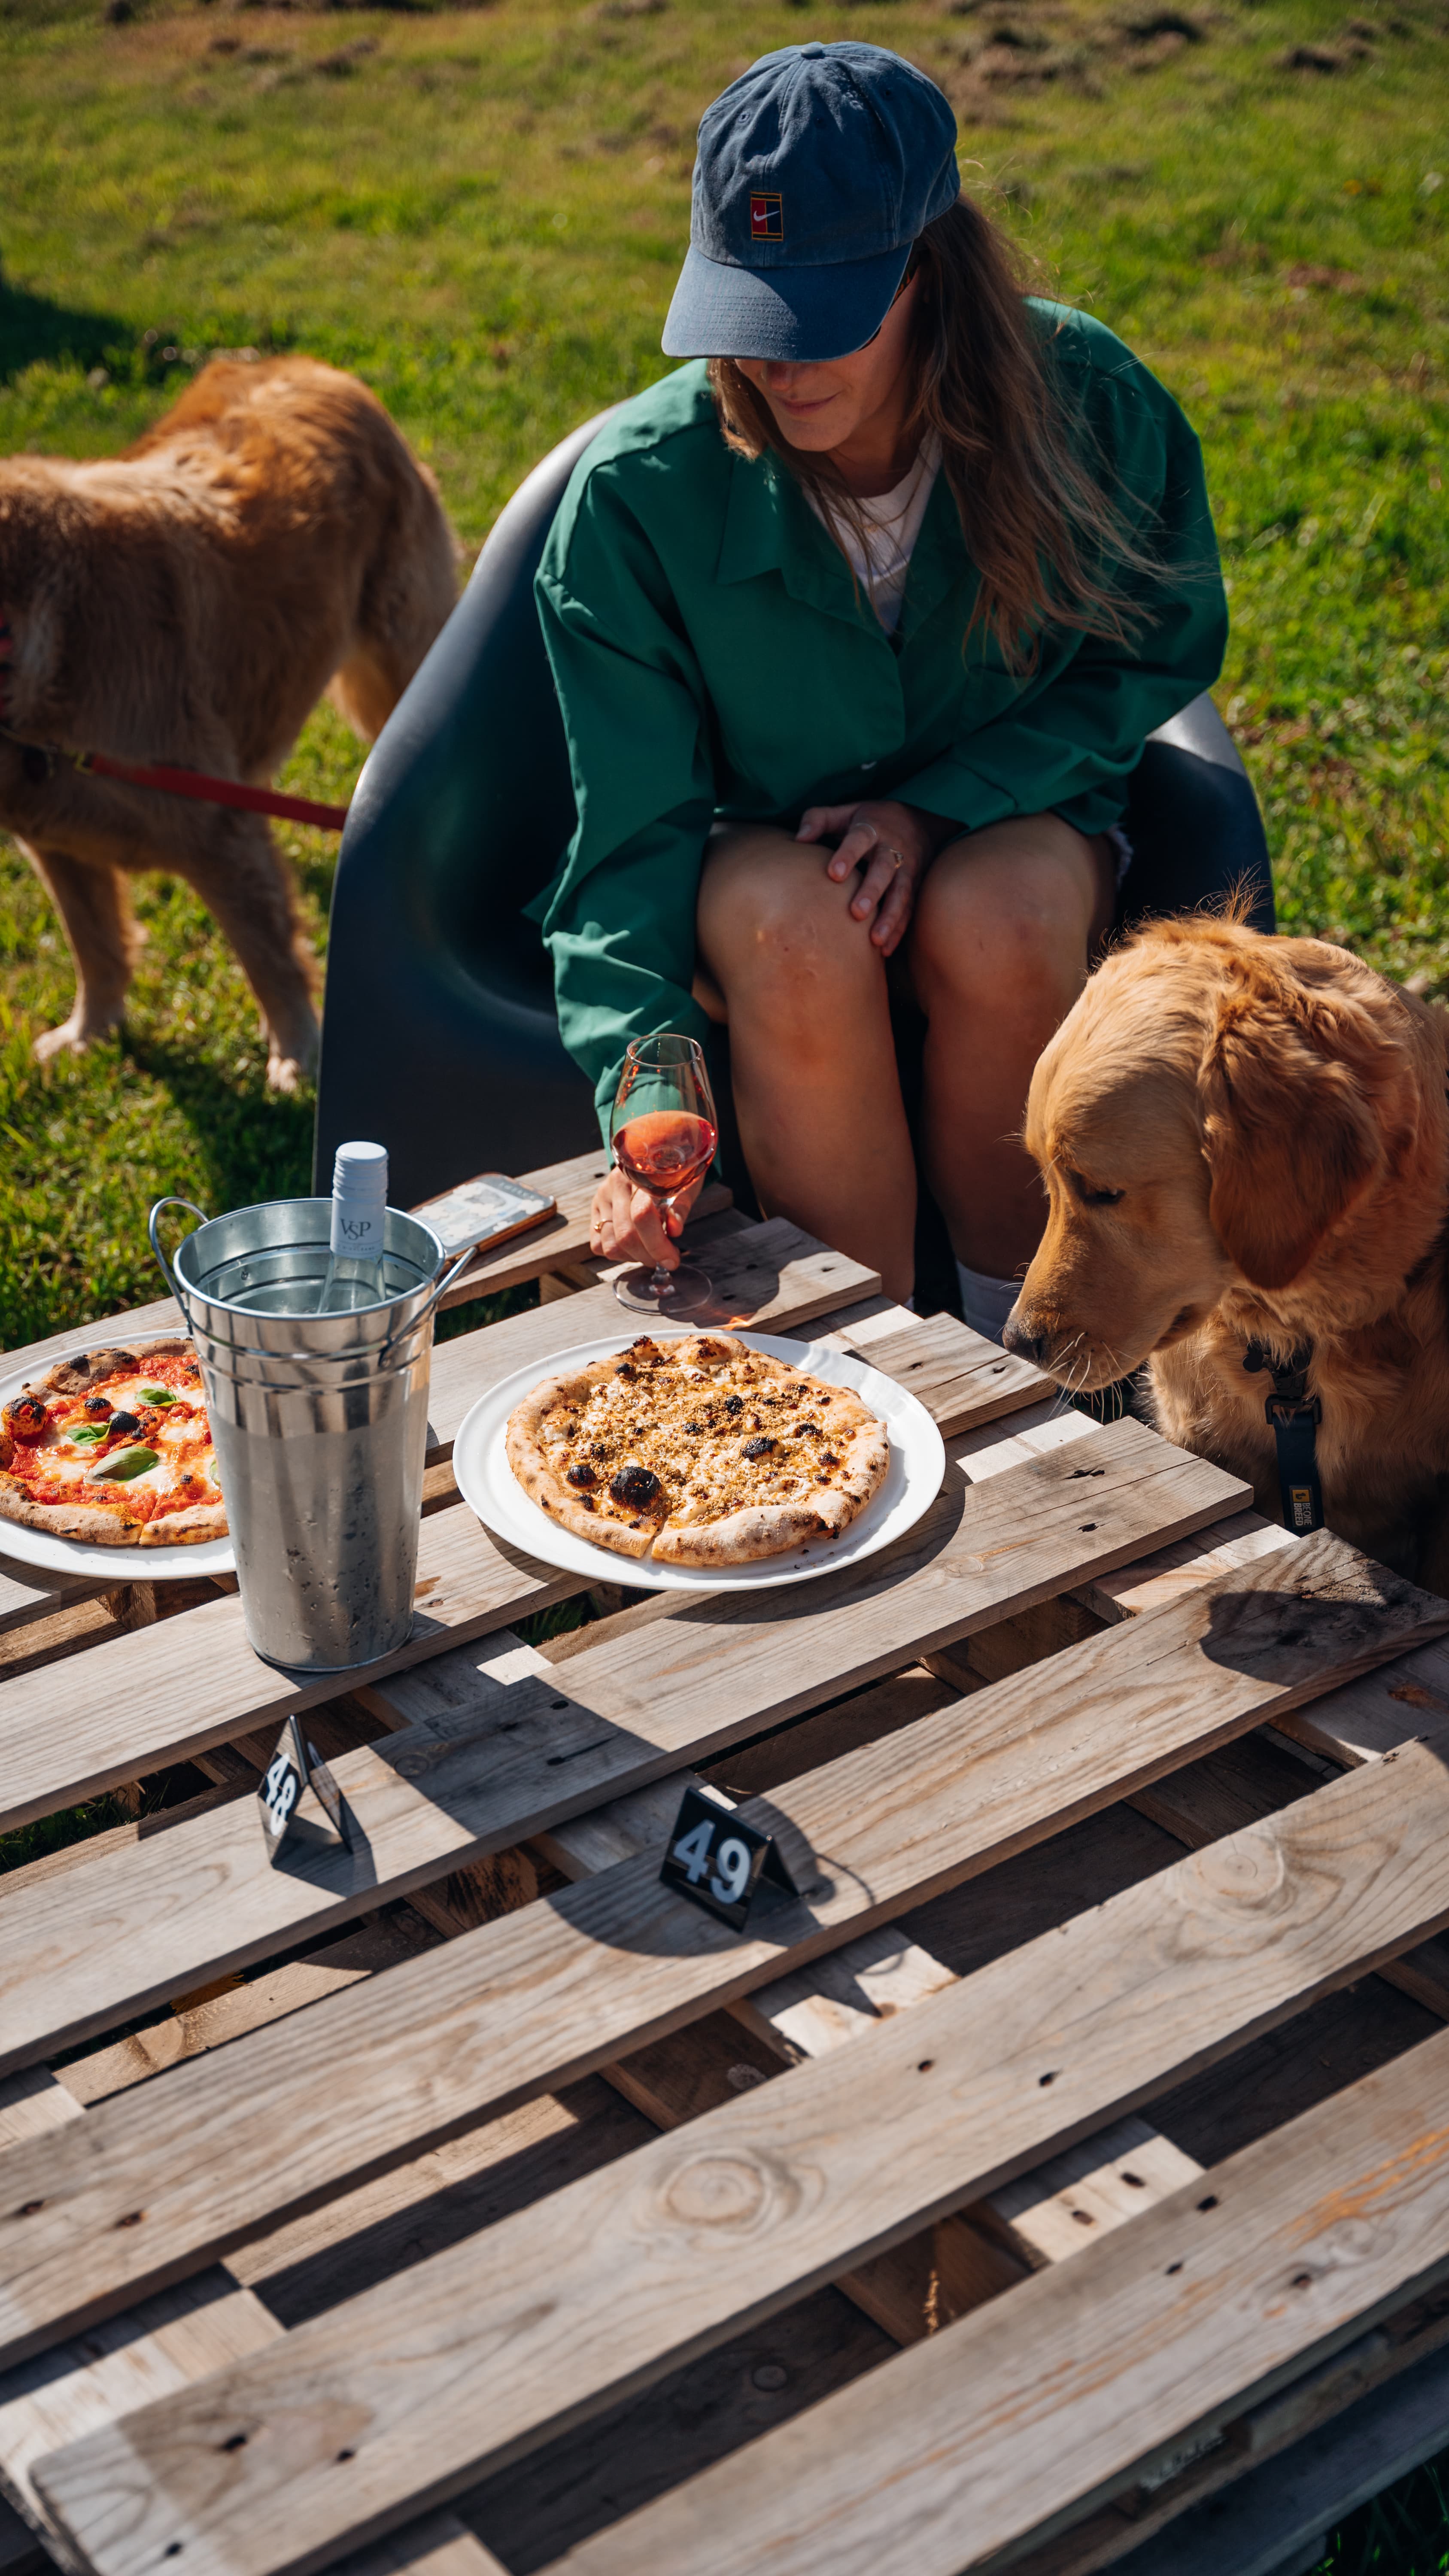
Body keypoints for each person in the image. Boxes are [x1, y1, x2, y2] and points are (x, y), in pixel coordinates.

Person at [532, 40, 1227, 1326]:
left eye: (822, 319)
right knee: (798, 936)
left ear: (929, 269)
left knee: (998, 917)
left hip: (1020, 818)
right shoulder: (634, 499)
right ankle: (866, 1359)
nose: (779, 369)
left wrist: (941, 808)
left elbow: (1153, 650)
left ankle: (1024, 1344)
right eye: (749, 317)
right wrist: (650, 1096)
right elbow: (628, 842)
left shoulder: (1092, 402)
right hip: (769, 857)